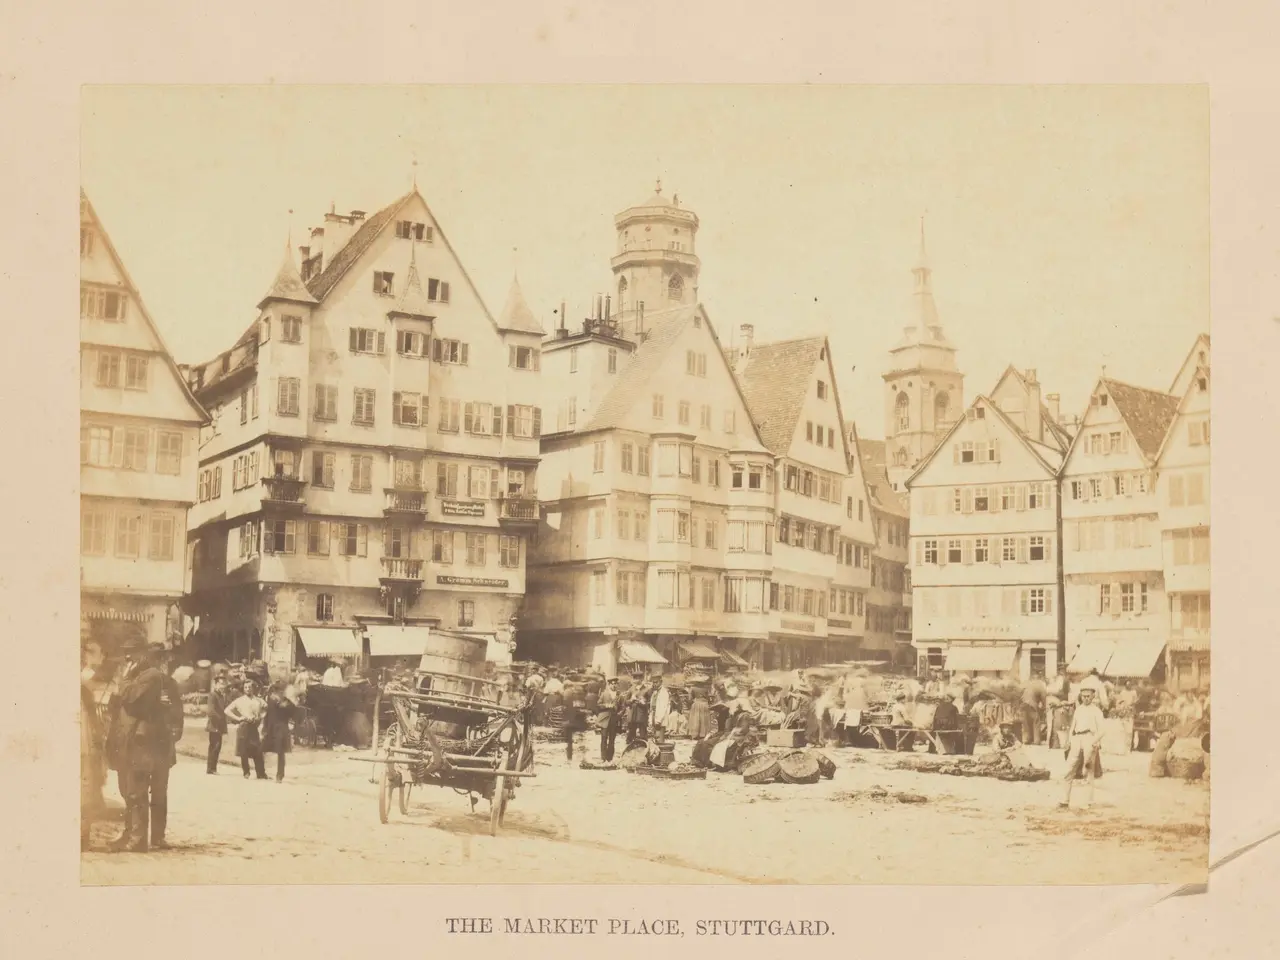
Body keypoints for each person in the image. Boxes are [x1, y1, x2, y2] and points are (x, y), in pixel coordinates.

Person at [109, 643, 184, 852]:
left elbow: (176, 710)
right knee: (140, 791)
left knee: (146, 791)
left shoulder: (155, 679)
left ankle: (146, 837)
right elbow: (119, 704)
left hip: (152, 745)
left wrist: (174, 731)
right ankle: (140, 835)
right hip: (147, 744)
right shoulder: (147, 680)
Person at [1061, 686, 1106, 808]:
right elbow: (1073, 727)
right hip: (1077, 739)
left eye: (1088, 696)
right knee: (1068, 770)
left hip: (1089, 738)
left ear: (1093, 696)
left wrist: (1094, 741)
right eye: (1083, 696)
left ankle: (1088, 801)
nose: (1085, 698)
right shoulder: (1078, 710)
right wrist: (1069, 741)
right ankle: (1065, 800)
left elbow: (1102, 730)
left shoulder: (1096, 711)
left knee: (1088, 771)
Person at [80, 678, 106, 851]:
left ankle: (83, 836)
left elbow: (95, 724)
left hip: (84, 748)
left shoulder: (85, 691)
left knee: (85, 790)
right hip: (81, 747)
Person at [225, 679, 268, 779]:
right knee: (243, 751)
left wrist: (260, 717)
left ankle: (261, 773)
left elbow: (266, 709)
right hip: (243, 726)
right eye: (246, 687)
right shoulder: (240, 700)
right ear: (243, 689)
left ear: (253, 688)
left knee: (257, 750)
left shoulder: (258, 700)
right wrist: (239, 718)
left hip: (254, 727)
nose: (248, 689)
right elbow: (227, 710)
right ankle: (246, 772)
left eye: (250, 687)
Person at [261, 681, 298, 782]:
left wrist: (288, 706)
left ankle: (279, 776)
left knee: (280, 752)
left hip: (281, 728)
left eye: (280, 691)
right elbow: (266, 715)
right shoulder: (270, 701)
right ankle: (262, 772)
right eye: (276, 691)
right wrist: (264, 728)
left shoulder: (287, 702)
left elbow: (293, 713)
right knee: (263, 749)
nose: (278, 693)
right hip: (271, 727)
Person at [206, 674, 230, 774]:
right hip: (214, 725)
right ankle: (211, 768)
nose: (222, 686)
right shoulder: (213, 695)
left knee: (217, 746)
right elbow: (210, 711)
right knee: (215, 746)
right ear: (216, 684)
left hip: (219, 725)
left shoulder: (222, 696)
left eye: (224, 684)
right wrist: (220, 719)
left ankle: (212, 768)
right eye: (220, 684)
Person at [598, 679, 621, 762]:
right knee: (604, 738)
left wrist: (619, 715)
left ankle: (610, 758)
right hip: (605, 719)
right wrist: (606, 705)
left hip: (614, 720)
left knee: (612, 739)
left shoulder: (619, 695)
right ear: (609, 684)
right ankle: (603, 758)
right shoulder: (604, 694)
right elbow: (598, 704)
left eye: (615, 684)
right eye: (612, 684)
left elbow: (623, 707)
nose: (614, 686)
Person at [1020, 675, 1047, 745]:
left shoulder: (1026, 684)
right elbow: (1044, 699)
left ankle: (1027, 739)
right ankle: (1036, 740)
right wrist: (1044, 708)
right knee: (1036, 722)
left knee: (1026, 723)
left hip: (1023, 705)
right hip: (1032, 705)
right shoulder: (1040, 686)